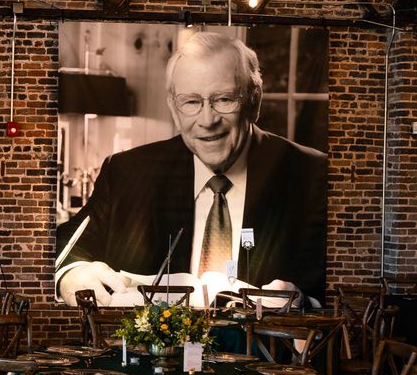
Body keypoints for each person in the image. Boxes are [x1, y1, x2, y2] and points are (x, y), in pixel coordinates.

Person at [54, 28, 326, 304]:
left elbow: (344, 286)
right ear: (174, 108)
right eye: (191, 102)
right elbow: (65, 245)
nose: (207, 120)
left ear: (254, 100)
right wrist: (70, 273)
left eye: (224, 99)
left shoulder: (314, 177)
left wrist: (305, 305)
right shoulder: (128, 172)